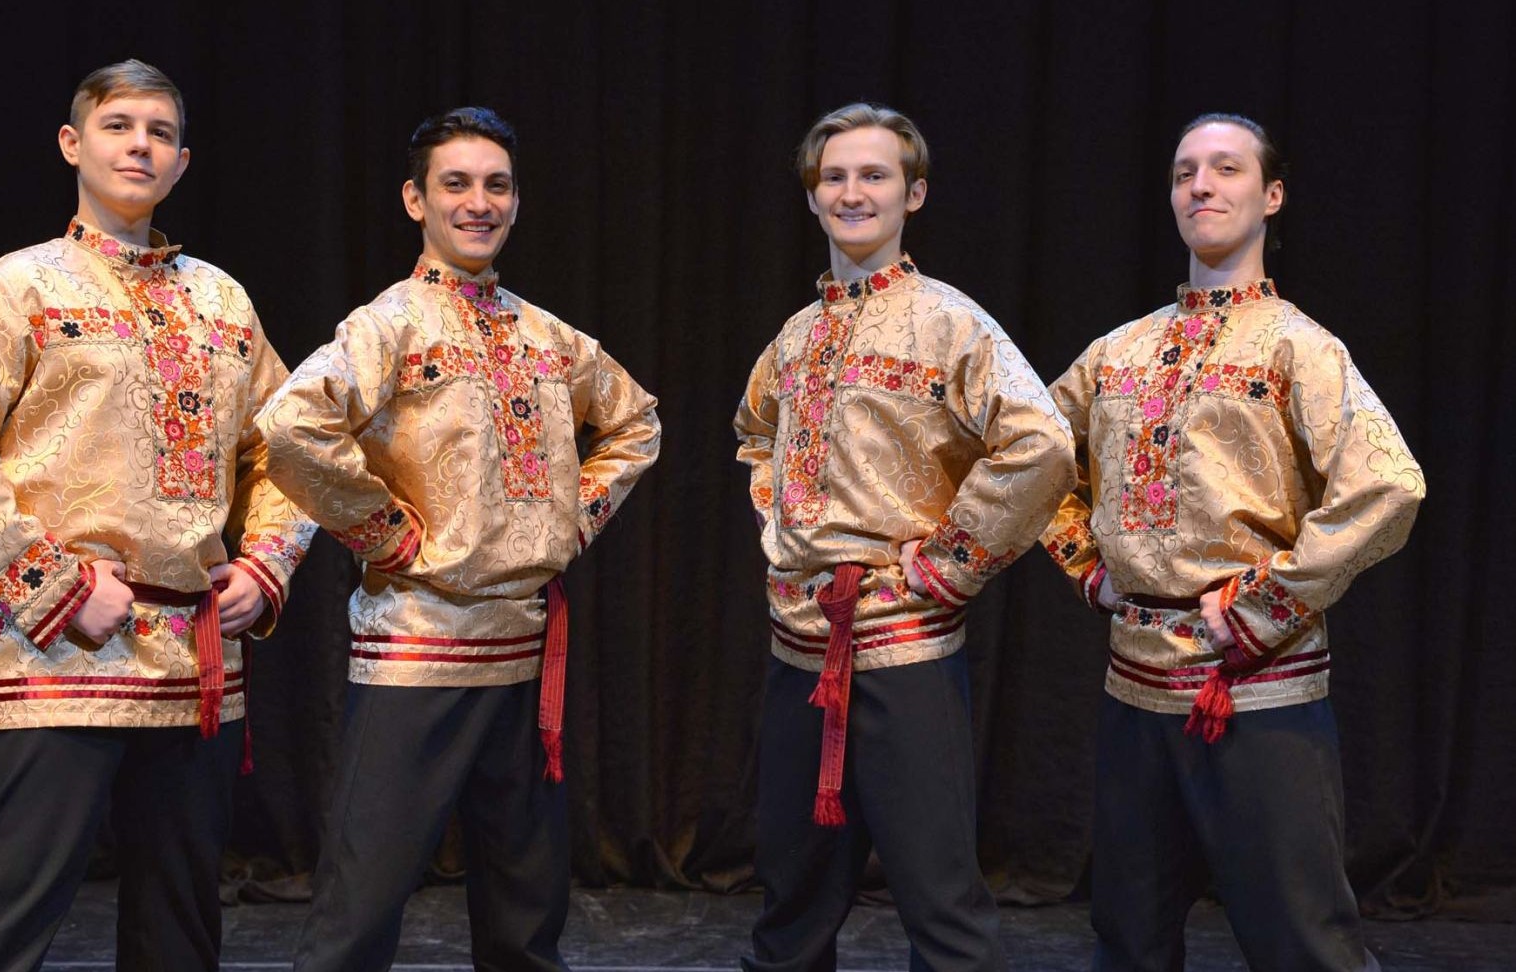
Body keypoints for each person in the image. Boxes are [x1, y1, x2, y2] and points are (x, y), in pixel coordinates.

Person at [0, 59, 315, 971]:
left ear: (182, 161)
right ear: (72, 143)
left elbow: (287, 449)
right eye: (119, 125)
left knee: (180, 932)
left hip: (193, 660)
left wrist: (266, 564)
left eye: (160, 133)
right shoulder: (20, 287)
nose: (140, 146)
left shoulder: (223, 301)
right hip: (55, 650)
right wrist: (52, 586)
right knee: (6, 923)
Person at [258, 106, 662, 971]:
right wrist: (383, 532)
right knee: (362, 903)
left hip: (523, 644)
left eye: (497, 186)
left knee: (526, 907)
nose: (479, 203)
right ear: (416, 200)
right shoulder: (390, 324)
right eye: (456, 184)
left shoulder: (548, 336)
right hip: (418, 644)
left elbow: (636, 424)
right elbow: (292, 426)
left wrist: (570, 520)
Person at [1040, 112, 1426, 972]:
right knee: (1129, 938)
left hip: (1254, 690)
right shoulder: (1119, 351)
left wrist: (1266, 602)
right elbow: (1031, 457)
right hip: (1135, 685)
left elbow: (1388, 485)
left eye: (1226, 169)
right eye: (1185, 172)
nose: (1202, 186)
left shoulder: (1299, 346)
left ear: (1271, 195)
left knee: (1300, 941)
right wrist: (1087, 566)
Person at [733, 102, 1073, 972]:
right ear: (813, 196)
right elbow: (755, 433)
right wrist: (785, 520)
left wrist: (956, 559)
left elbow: (1041, 444)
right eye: (835, 177)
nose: (853, 193)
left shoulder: (951, 322)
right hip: (799, 648)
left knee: (939, 900)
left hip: (902, 647)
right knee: (791, 899)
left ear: (912, 193)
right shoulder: (797, 336)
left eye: (874, 175)